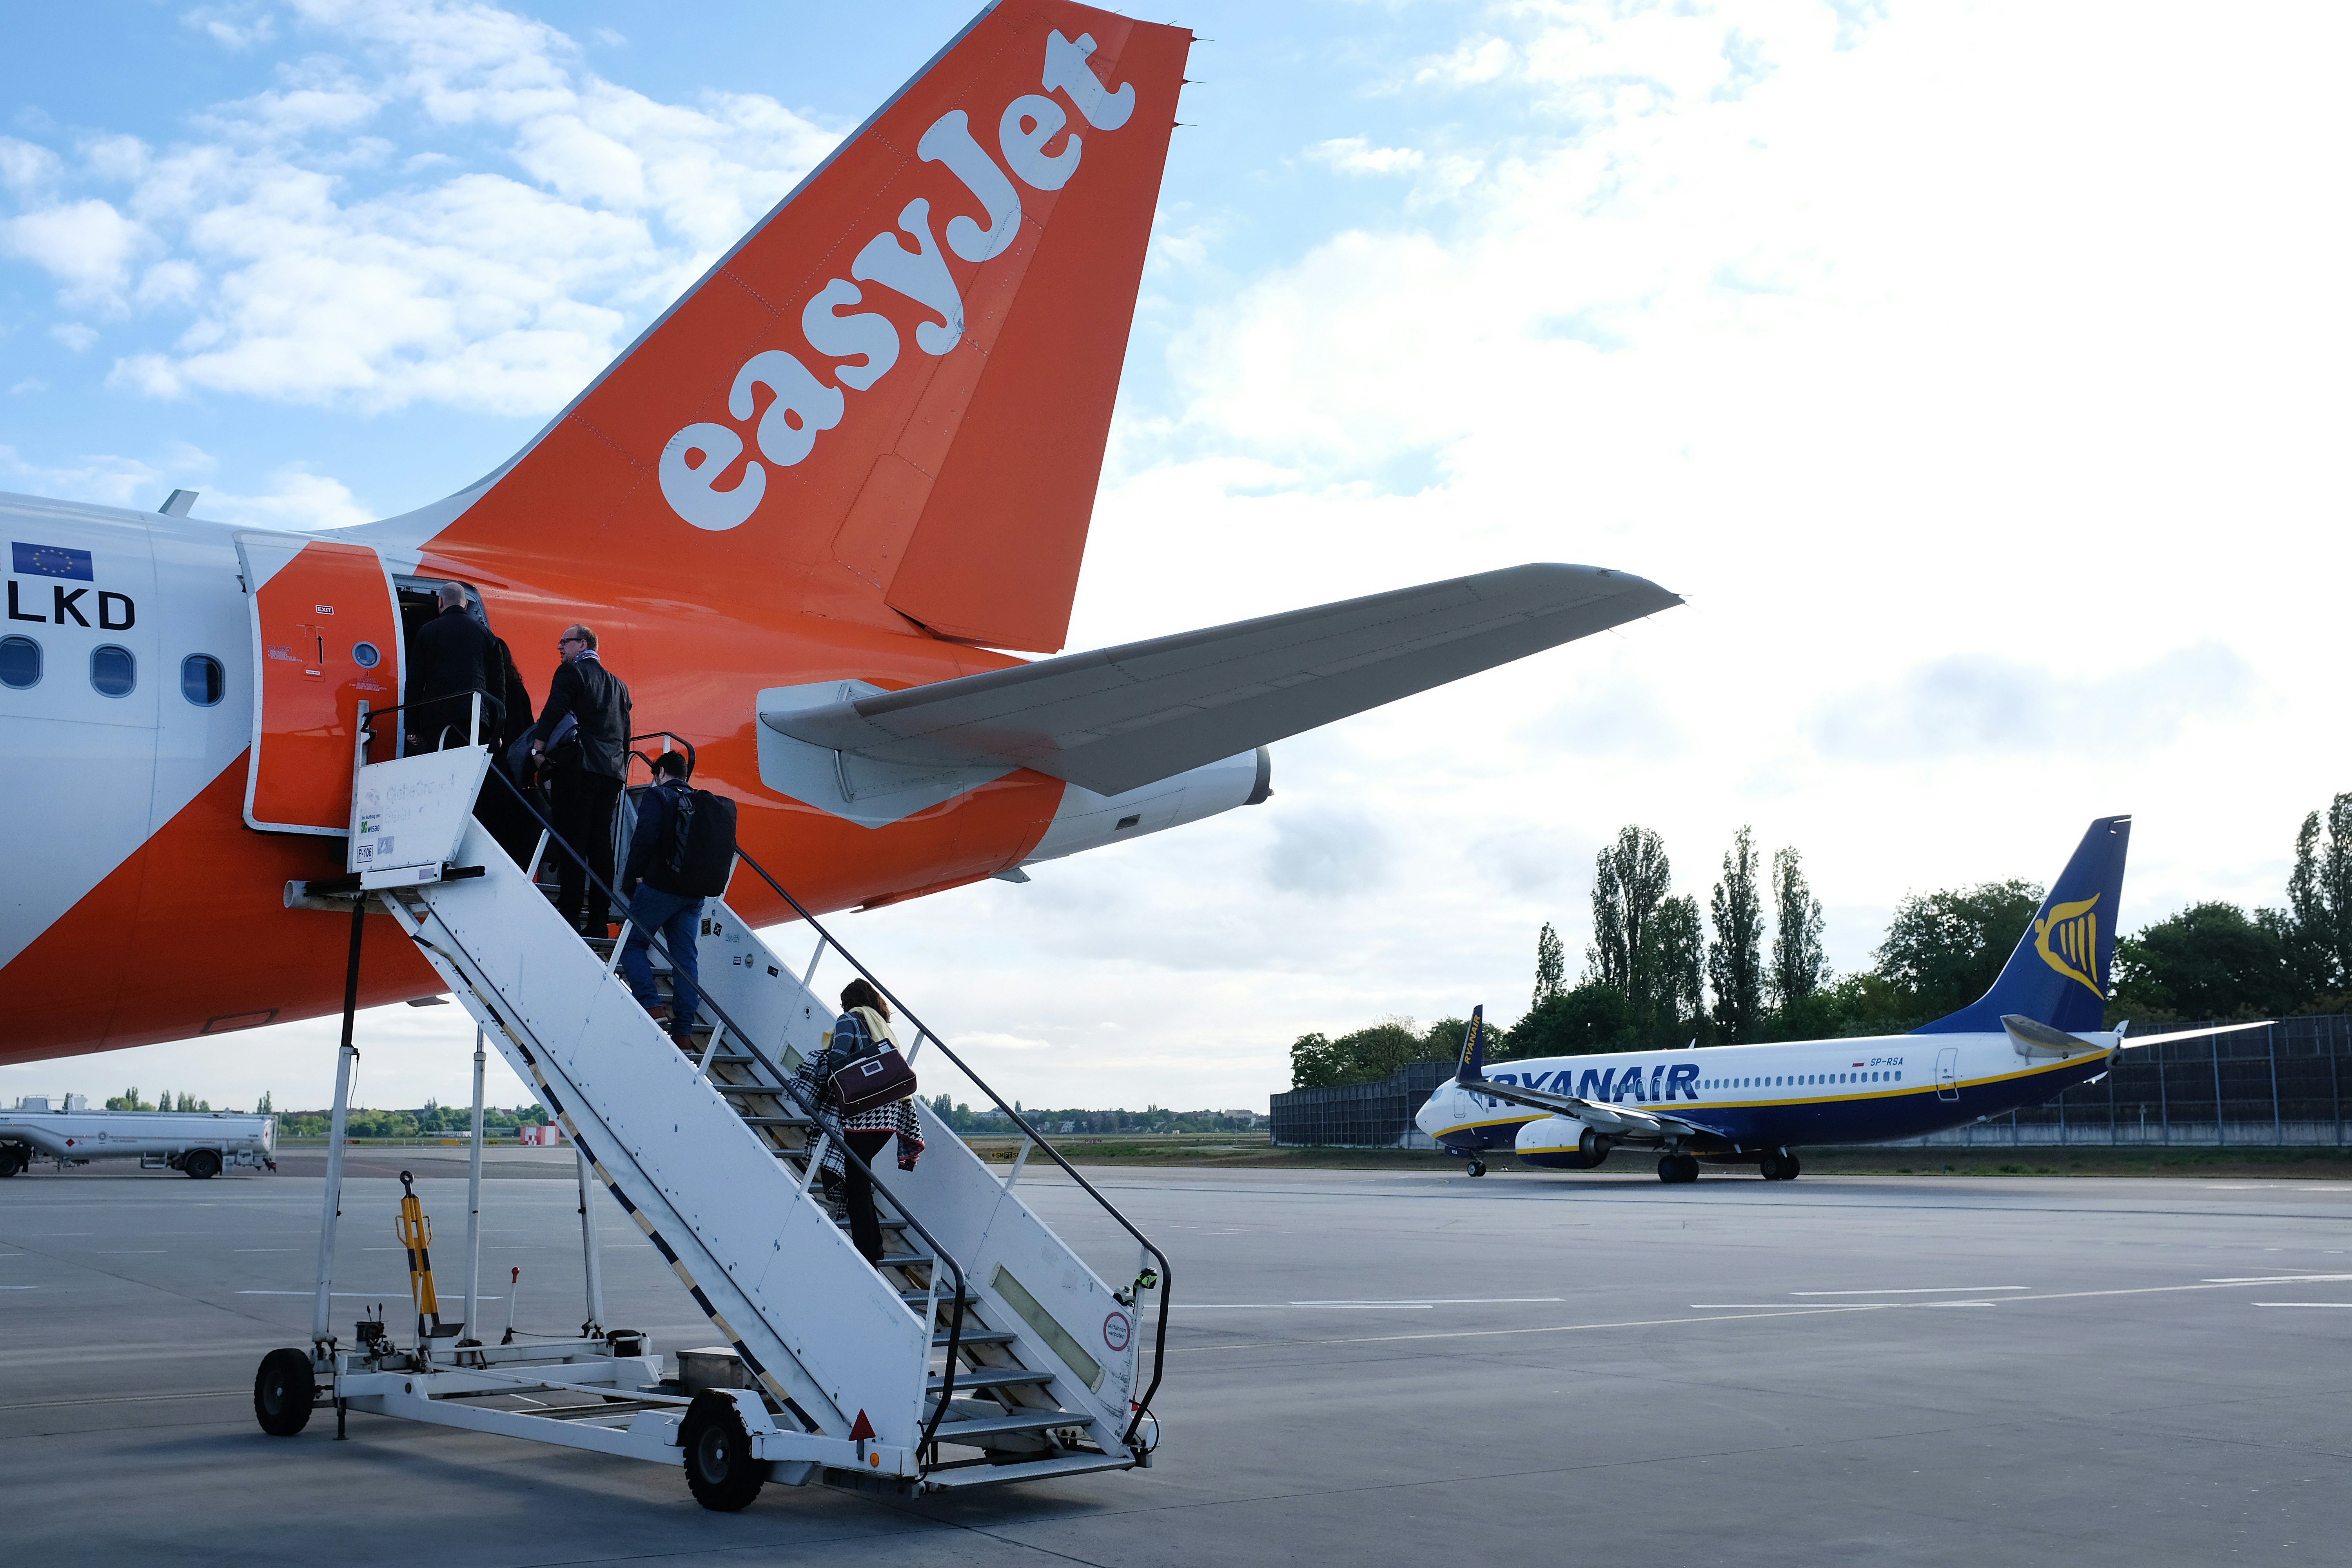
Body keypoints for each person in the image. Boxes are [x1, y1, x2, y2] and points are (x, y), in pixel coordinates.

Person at [797, 978, 924, 1265]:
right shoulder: (883, 1027)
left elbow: (837, 1060)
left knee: (857, 1187)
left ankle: (868, 1257)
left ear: (849, 1002)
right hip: (889, 1118)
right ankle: (872, 1249)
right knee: (860, 1180)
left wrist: (817, 1067)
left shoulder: (849, 1020)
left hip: (862, 1117)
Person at [526, 623, 631, 937]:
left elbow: (554, 709)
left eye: (565, 642)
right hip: (611, 773)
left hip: (580, 769)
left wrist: (538, 747)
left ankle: (570, 913)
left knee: (573, 841)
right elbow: (625, 733)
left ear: (582, 643)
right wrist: (621, 768)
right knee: (601, 845)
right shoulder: (620, 686)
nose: (560, 648)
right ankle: (599, 919)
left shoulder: (573, 673)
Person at [617, 752, 713, 1053]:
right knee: (685, 961)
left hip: (660, 887)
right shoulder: (701, 800)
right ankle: (684, 1032)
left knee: (632, 945)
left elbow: (645, 837)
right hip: (693, 894)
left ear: (659, 772)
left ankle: (652, 1006)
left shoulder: (657, 796)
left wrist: (630, 877)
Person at [407, 582, 499, 750]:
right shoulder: (487, 636)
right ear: (465, 604)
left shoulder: (427, 632)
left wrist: (412, 728)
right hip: (476, 720)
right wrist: (496, 731)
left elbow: (415, 682)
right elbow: (497, 685)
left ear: (440, 602)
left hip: (436, 720)